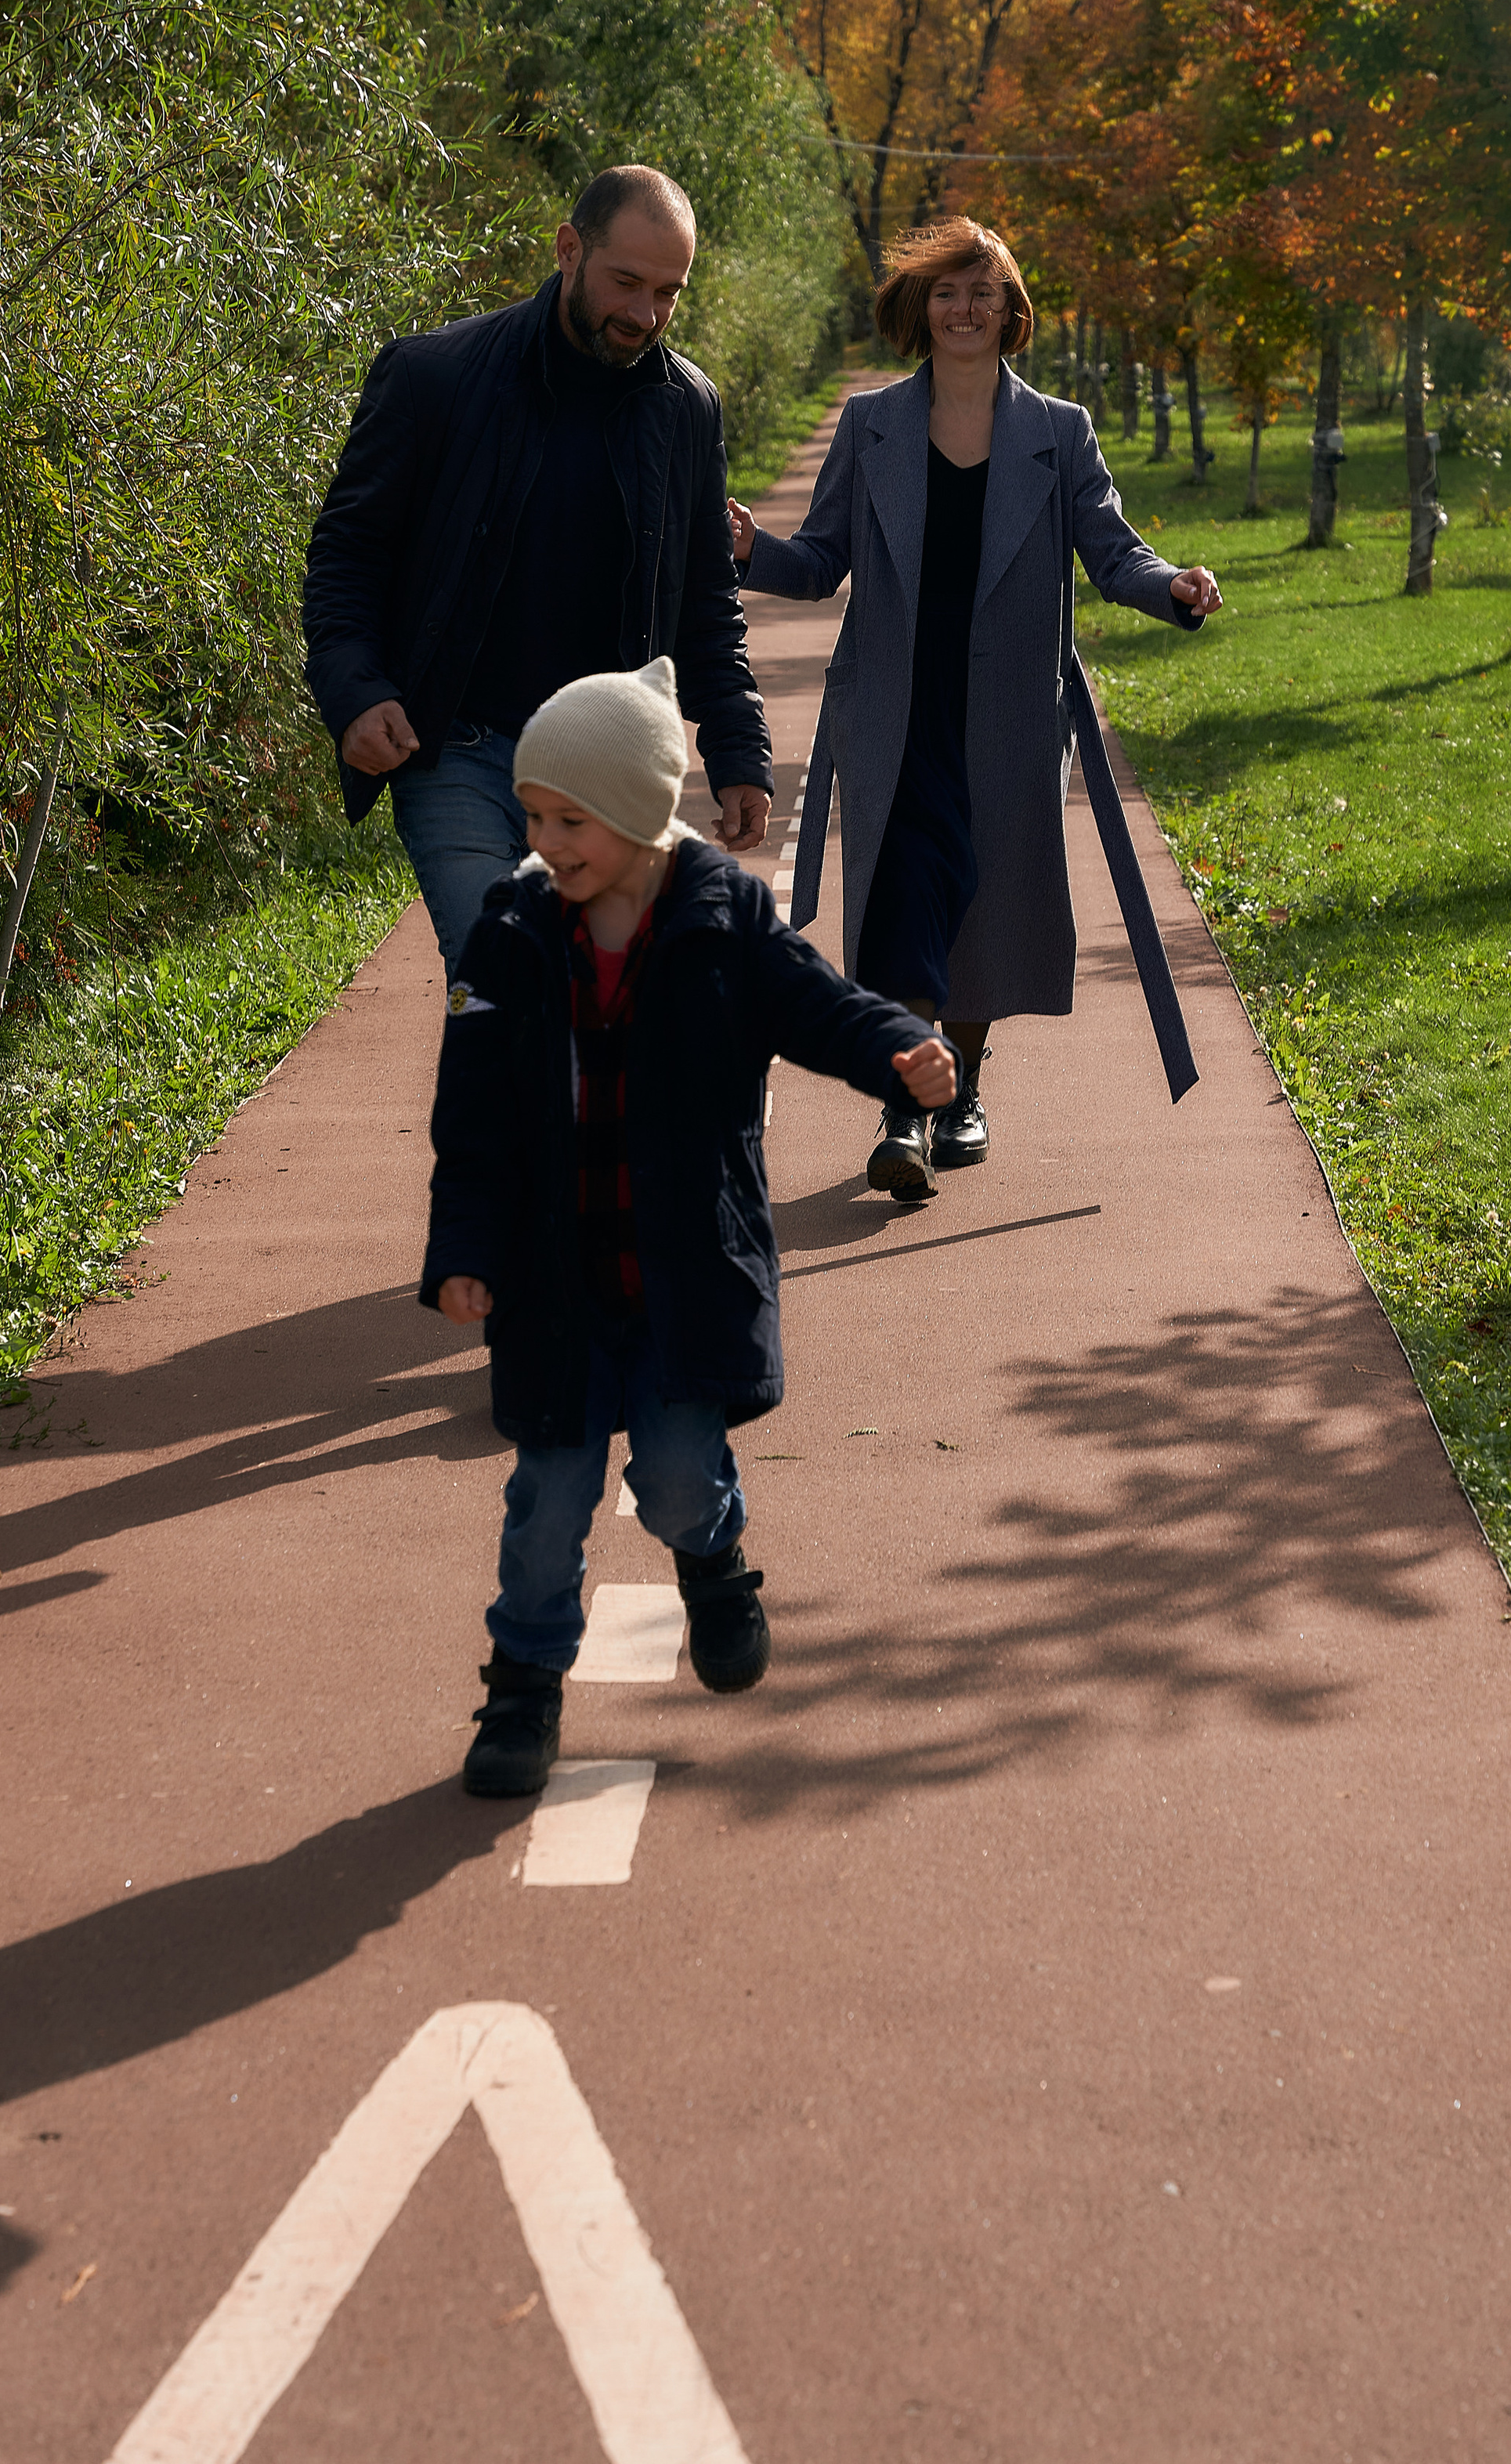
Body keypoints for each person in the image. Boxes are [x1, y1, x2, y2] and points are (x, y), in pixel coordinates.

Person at [422, 656, 956, 1798]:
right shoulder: (509, 938)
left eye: (570, 818)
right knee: (548, 1501)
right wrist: (464, 1254)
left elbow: (818, 1006)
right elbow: (469, 1123)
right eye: (533, 815)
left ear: (636, 812)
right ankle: (521, 1690)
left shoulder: (723, 916)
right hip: (556, 1285)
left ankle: (712, 1564)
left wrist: (895, 1053)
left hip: (680, 1277)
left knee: (672, 1479)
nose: (545, 839)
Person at [728, 216, 1220, 1199]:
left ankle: (961, 1088)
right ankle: (905, 1108)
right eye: (946, 292)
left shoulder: (1058, 431)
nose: (963, 308)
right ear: (921, 308)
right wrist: (749, 550)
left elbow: (1113, 551)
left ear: (1010, 312)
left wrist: (1171, 587)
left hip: (1006, 718)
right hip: (893, 713)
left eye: (982, 293)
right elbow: (822, 562)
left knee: (984, 903)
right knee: (905, 891)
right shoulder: (870, 424)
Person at [303, 164, 773, 981]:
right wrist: (356, 691)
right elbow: (348, 553)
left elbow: (705, 597)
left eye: (668, 293)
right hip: (461, 753)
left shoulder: (685, 407)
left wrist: (738, 749)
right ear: (567, 250)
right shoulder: (433, 379)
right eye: (626, 282)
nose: (645, 315)